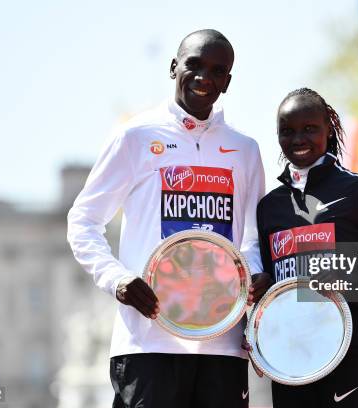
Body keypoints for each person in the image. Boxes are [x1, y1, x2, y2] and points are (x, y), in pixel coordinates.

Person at [67, 29, 272, 408]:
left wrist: (255, 273)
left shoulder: (245, 149)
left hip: (222, 345)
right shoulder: (135, 136)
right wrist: (118, 280)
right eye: (193, 65)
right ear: (173, 66)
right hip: (148, 341)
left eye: (216, 70)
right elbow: (83, 220)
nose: (203, 78)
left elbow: (254, 237)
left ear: (227, 81)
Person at [256, 88, 358, 408]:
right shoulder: (268, 207)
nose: (298, 139)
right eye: (287, 131)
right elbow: (270, 285)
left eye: (309, 128)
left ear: (329, 129)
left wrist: (340, 287)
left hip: (351, 352)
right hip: (290, 361)